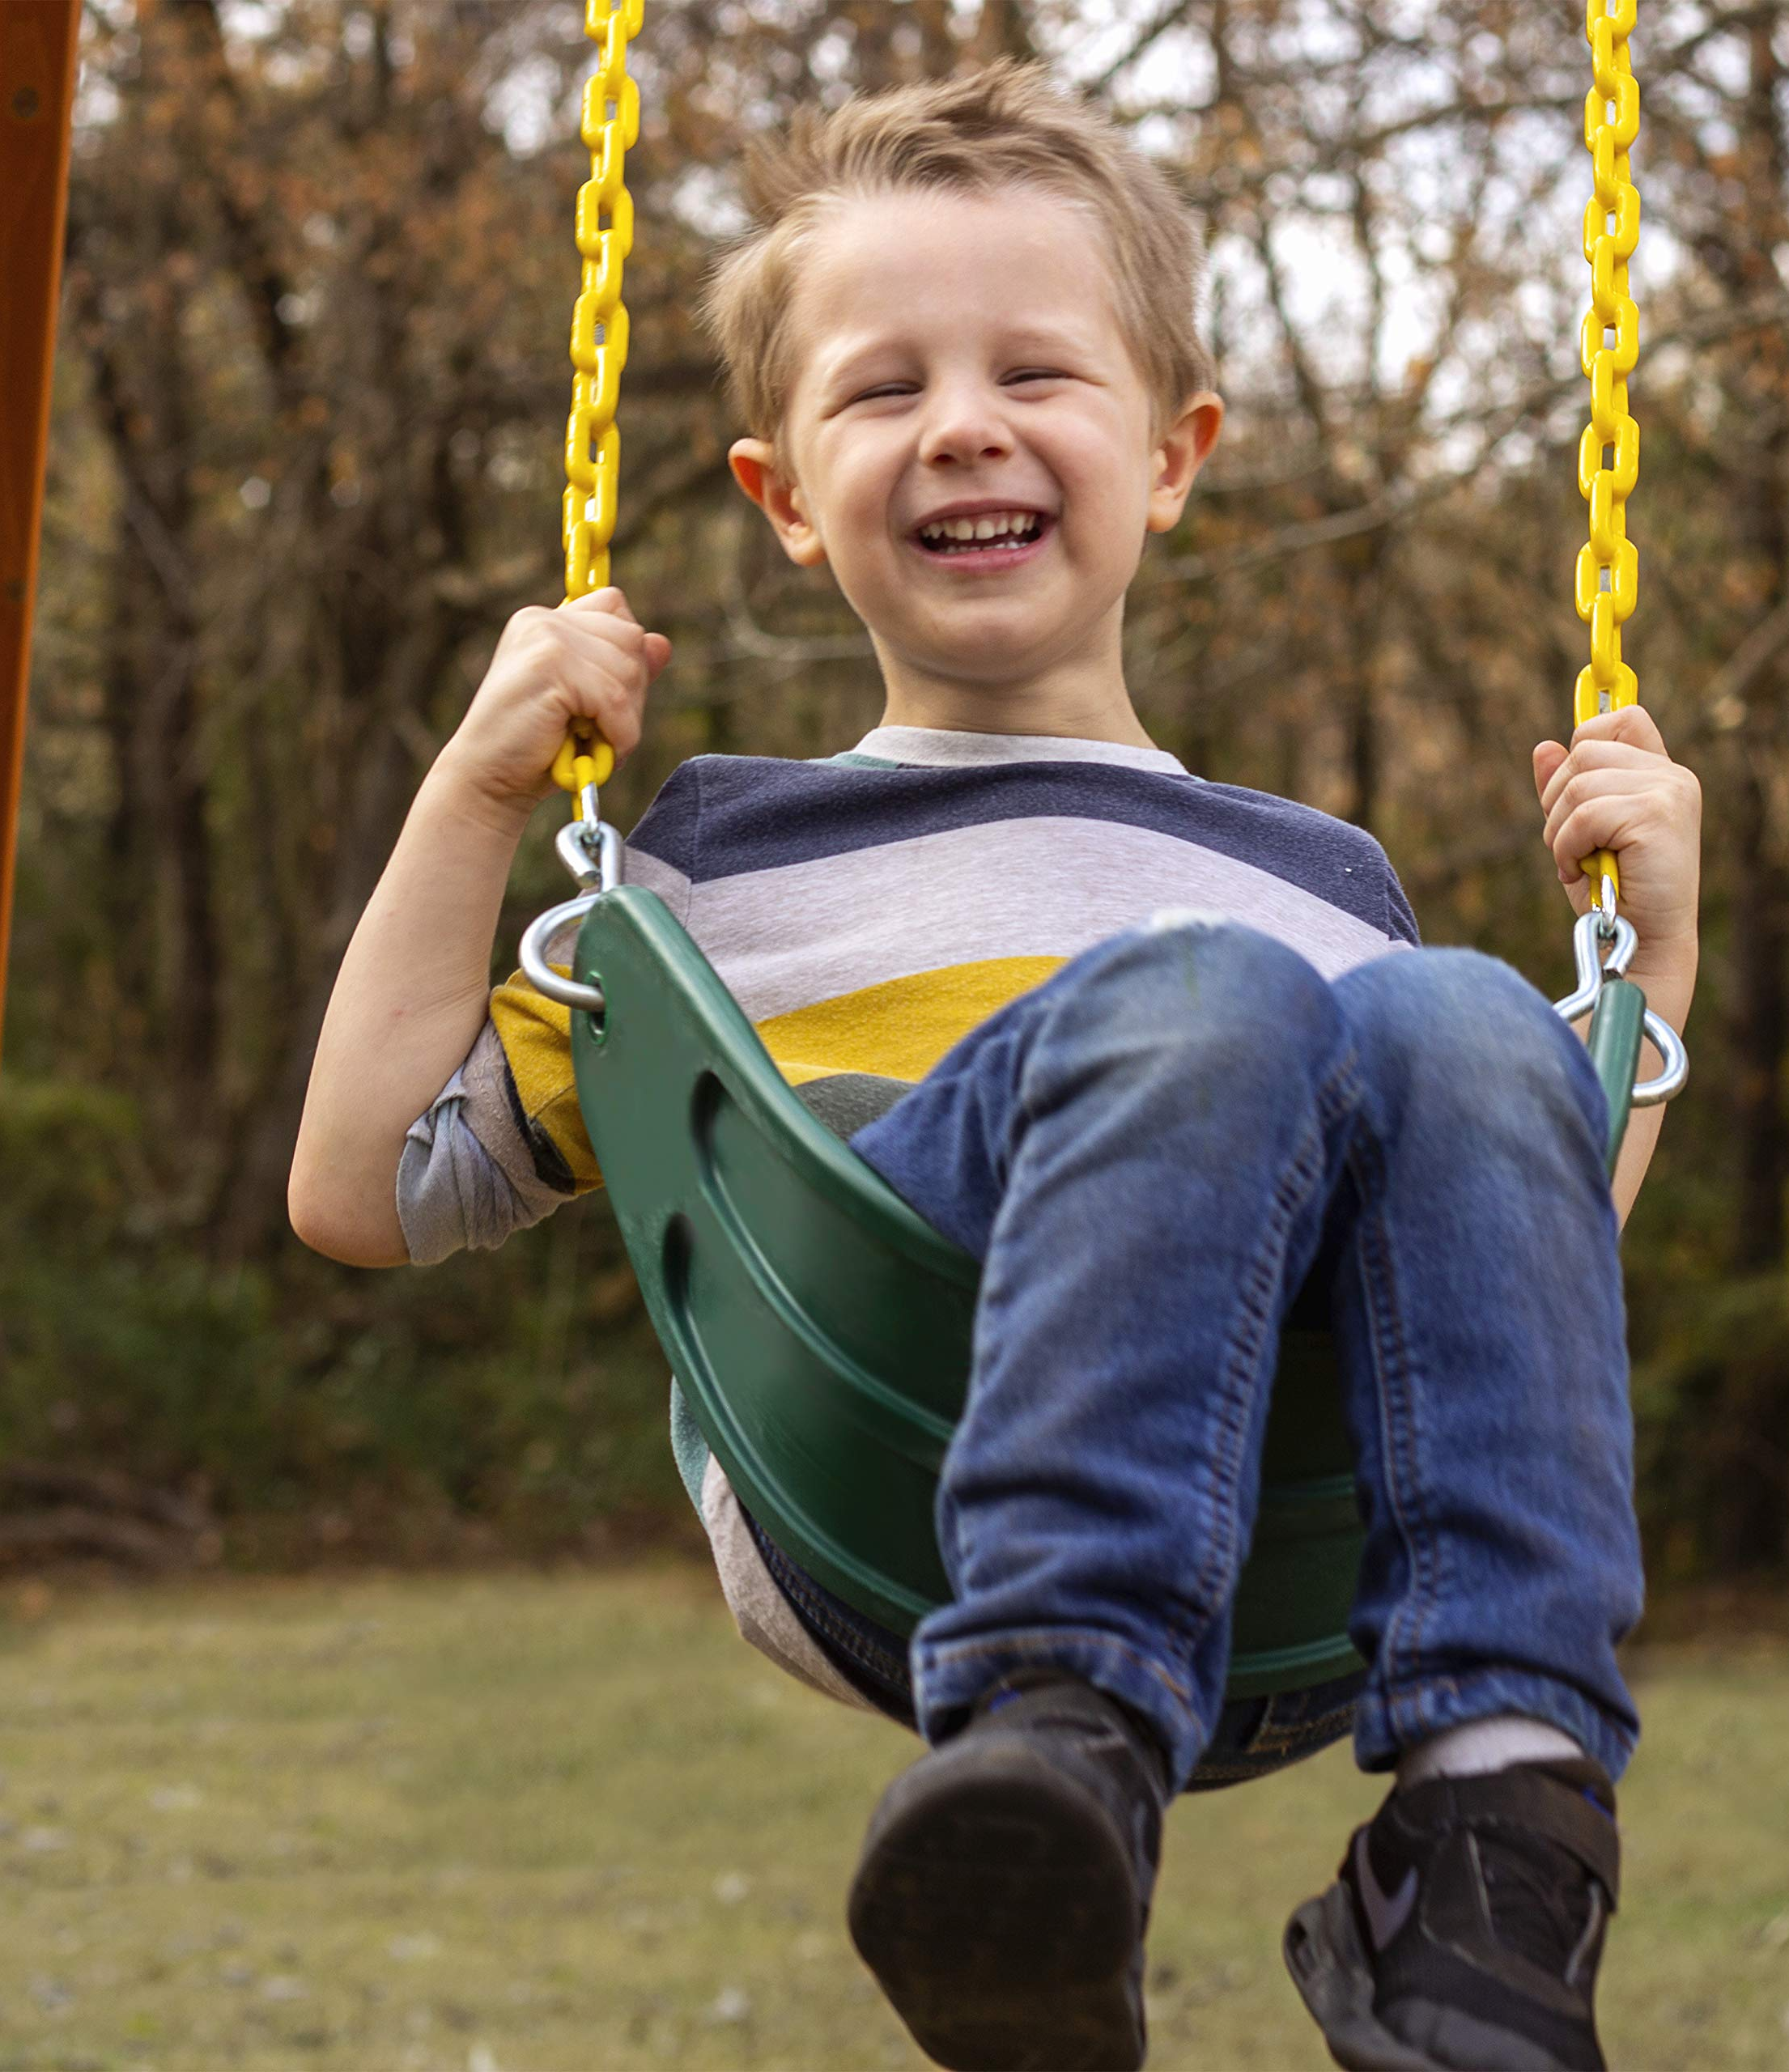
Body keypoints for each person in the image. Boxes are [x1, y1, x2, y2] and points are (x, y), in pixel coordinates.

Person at [289, 62, 1700, 2072]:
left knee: (1462, 1014)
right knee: (1197, 997)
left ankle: (1492, 1830)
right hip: (895, 1501)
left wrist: (1650, 960)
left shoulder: (1325, 885)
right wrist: (482, 778)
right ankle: (1054, 1727)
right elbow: (364, 1183)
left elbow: (1503, 1277)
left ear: (1172, 451)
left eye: (1035, 371)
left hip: (1271, 1569)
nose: (963, 421)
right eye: (883, 390)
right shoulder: (719, 869)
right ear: (782, 496)